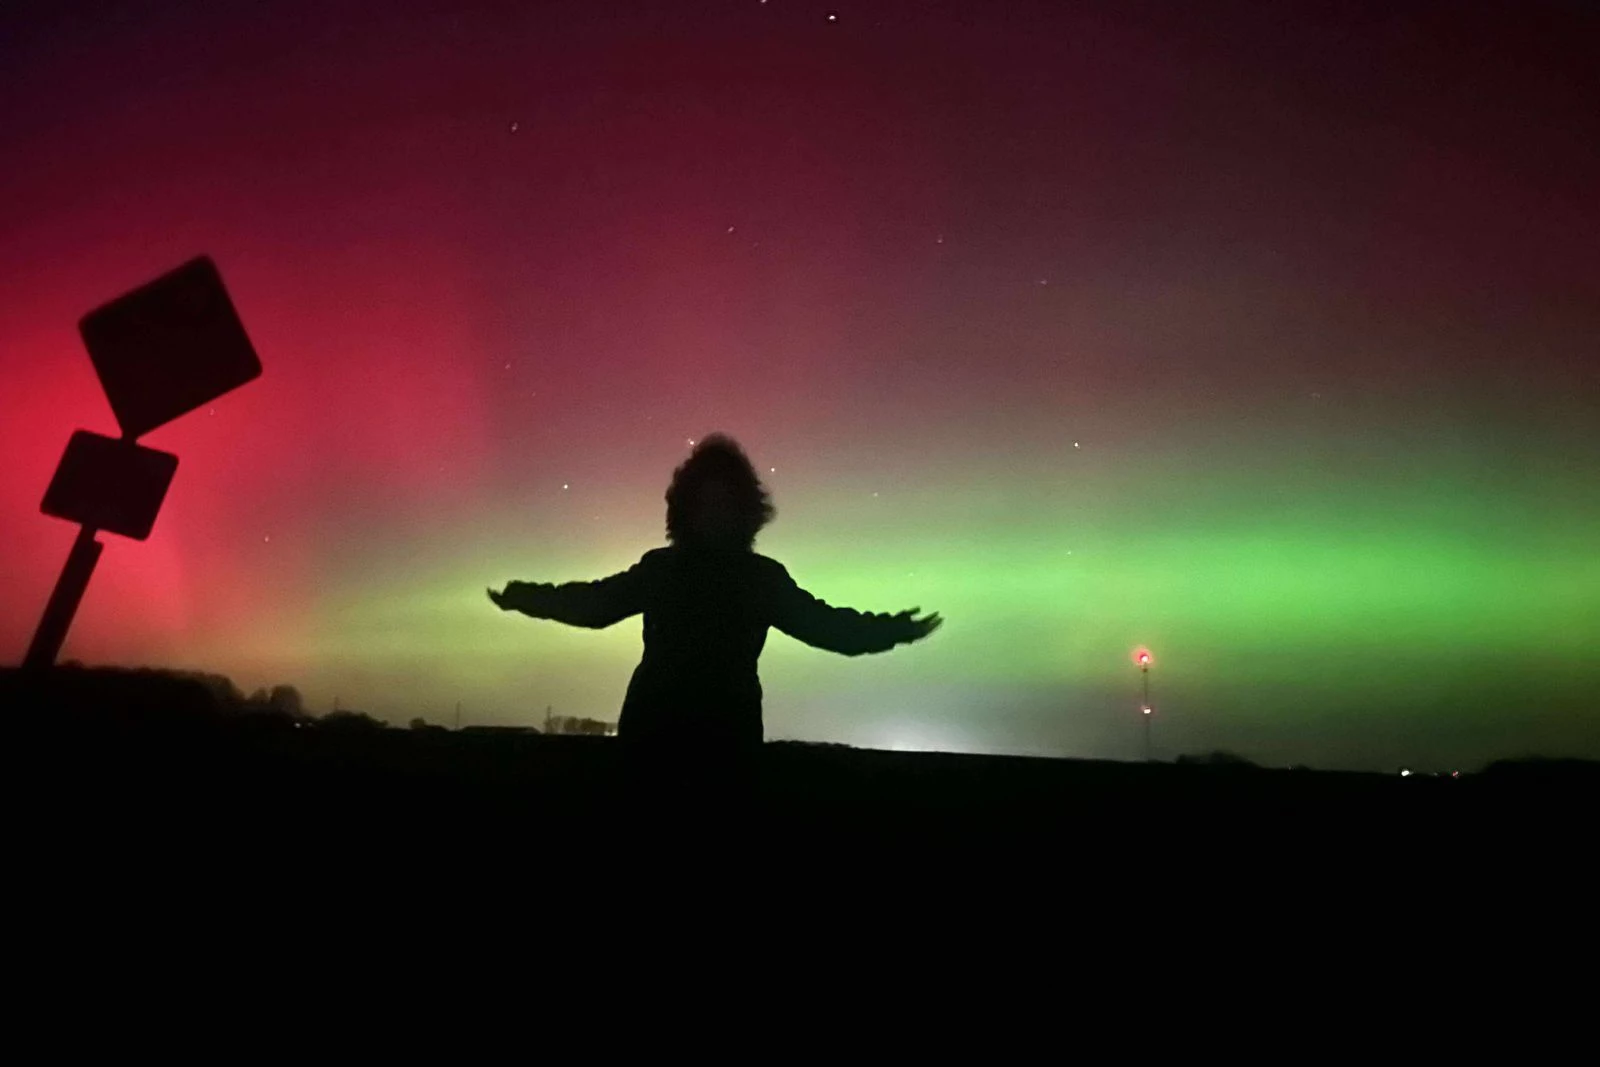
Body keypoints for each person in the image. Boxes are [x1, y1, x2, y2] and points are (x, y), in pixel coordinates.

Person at [486, 434, 942, 810]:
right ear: (689, 510)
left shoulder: (754, 579)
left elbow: (826, 627)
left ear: (744, 513)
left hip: (716, 743)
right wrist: (529, 598)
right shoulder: (673, 571)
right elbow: (594, 604)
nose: (717, 514)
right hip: (667, 743)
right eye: (708, 503)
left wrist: (891, 630)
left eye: (726, 504)